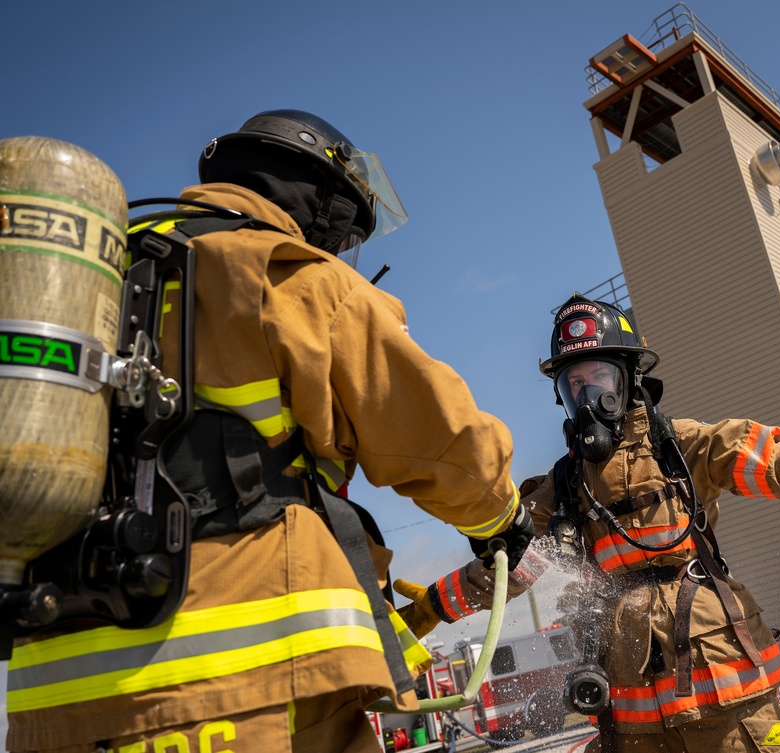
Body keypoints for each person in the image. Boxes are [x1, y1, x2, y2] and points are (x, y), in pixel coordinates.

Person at [5, 110, 533, 753]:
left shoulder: (94, 281)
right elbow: (442, 437)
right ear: (320, 200)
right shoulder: (293, 275)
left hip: (53, 696)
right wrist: (500, 518)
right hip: (249, 680)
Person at [392, 293, 780, 753]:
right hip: (628, 696)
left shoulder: (687, 447)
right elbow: (510, 567)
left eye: (595, 378)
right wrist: (428, 612)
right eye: (571, 385)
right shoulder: (563, 488)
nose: (584, 396)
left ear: (625, 378)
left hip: (720, 672)